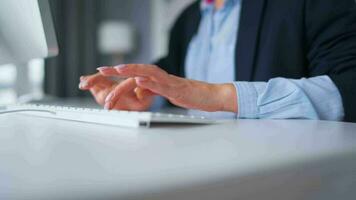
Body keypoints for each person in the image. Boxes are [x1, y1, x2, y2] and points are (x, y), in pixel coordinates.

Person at [79, 0, 356, 122]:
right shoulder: (187, 20)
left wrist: (218, 95)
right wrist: (144, 98)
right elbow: (170, 81)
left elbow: (349, 89)